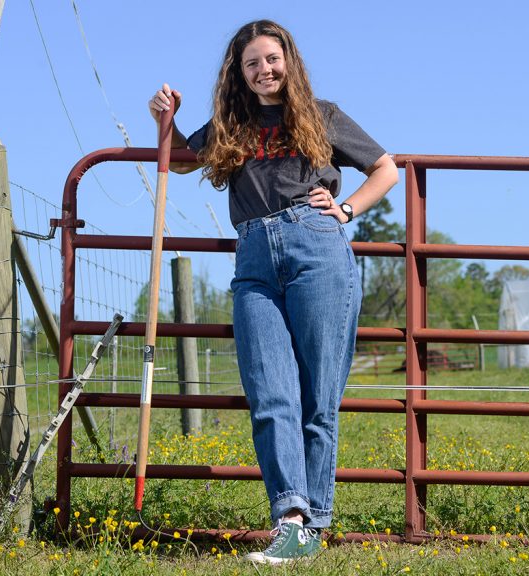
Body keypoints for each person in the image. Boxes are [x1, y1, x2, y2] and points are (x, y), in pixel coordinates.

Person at [148, 19, 398, 564]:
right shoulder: (231, 124)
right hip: (254, 257)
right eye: (252, 63)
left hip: (318, 248)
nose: (265, 69)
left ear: (290, 61)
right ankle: (289, 515)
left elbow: (386, 168)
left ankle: (310, 524)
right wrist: (166, 122)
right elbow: (183, 163)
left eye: (272, 58)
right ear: (238, 74)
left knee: (318, 396)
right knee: (270, 394)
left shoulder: (322, 115)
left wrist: (347, 208)